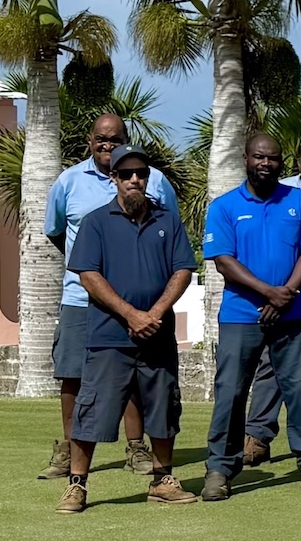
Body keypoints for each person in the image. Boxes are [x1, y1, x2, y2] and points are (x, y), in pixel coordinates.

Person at [54, 143, 199, 513]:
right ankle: (77, 485)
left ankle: (162, 480)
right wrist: (131, 314)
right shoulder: (96, 221)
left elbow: (182, 269)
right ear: (114, 178)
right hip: (108, 336)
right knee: (92, 411)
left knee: (164, 409)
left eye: (141, 174)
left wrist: (155, 312)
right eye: (126, 174)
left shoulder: (167, 220)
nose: (135, 179)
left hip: (158, 336)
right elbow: (89, 276)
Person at [39, 114, 178, 482]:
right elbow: (57, 233)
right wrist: (93, 269)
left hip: (144, 304)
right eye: (101, 138)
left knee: (136, 375)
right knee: (72, 374)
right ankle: (68, 450)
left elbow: (167, 233)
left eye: (115, 139)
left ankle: (136, 448)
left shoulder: (156, 181)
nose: (107, 144)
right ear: (90, 140)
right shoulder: (69, 180)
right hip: (80, 297)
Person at [201, 135, 301, 500]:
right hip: (241, 314)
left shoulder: (299, 201)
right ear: (246, 158)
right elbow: (223, 260)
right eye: (259, 156)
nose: (266, 163)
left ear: (281, 162)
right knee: (231, 391)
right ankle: (220, 467)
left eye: (273, 158)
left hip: (295, 312)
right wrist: (268, 292)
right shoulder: (225, 206)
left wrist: (285, 293)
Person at [241, 139, 301, 468]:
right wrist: (278, 293)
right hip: (278, 297)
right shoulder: (284, 192)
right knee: (270, 366)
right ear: (296, 162)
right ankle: (258, 435)